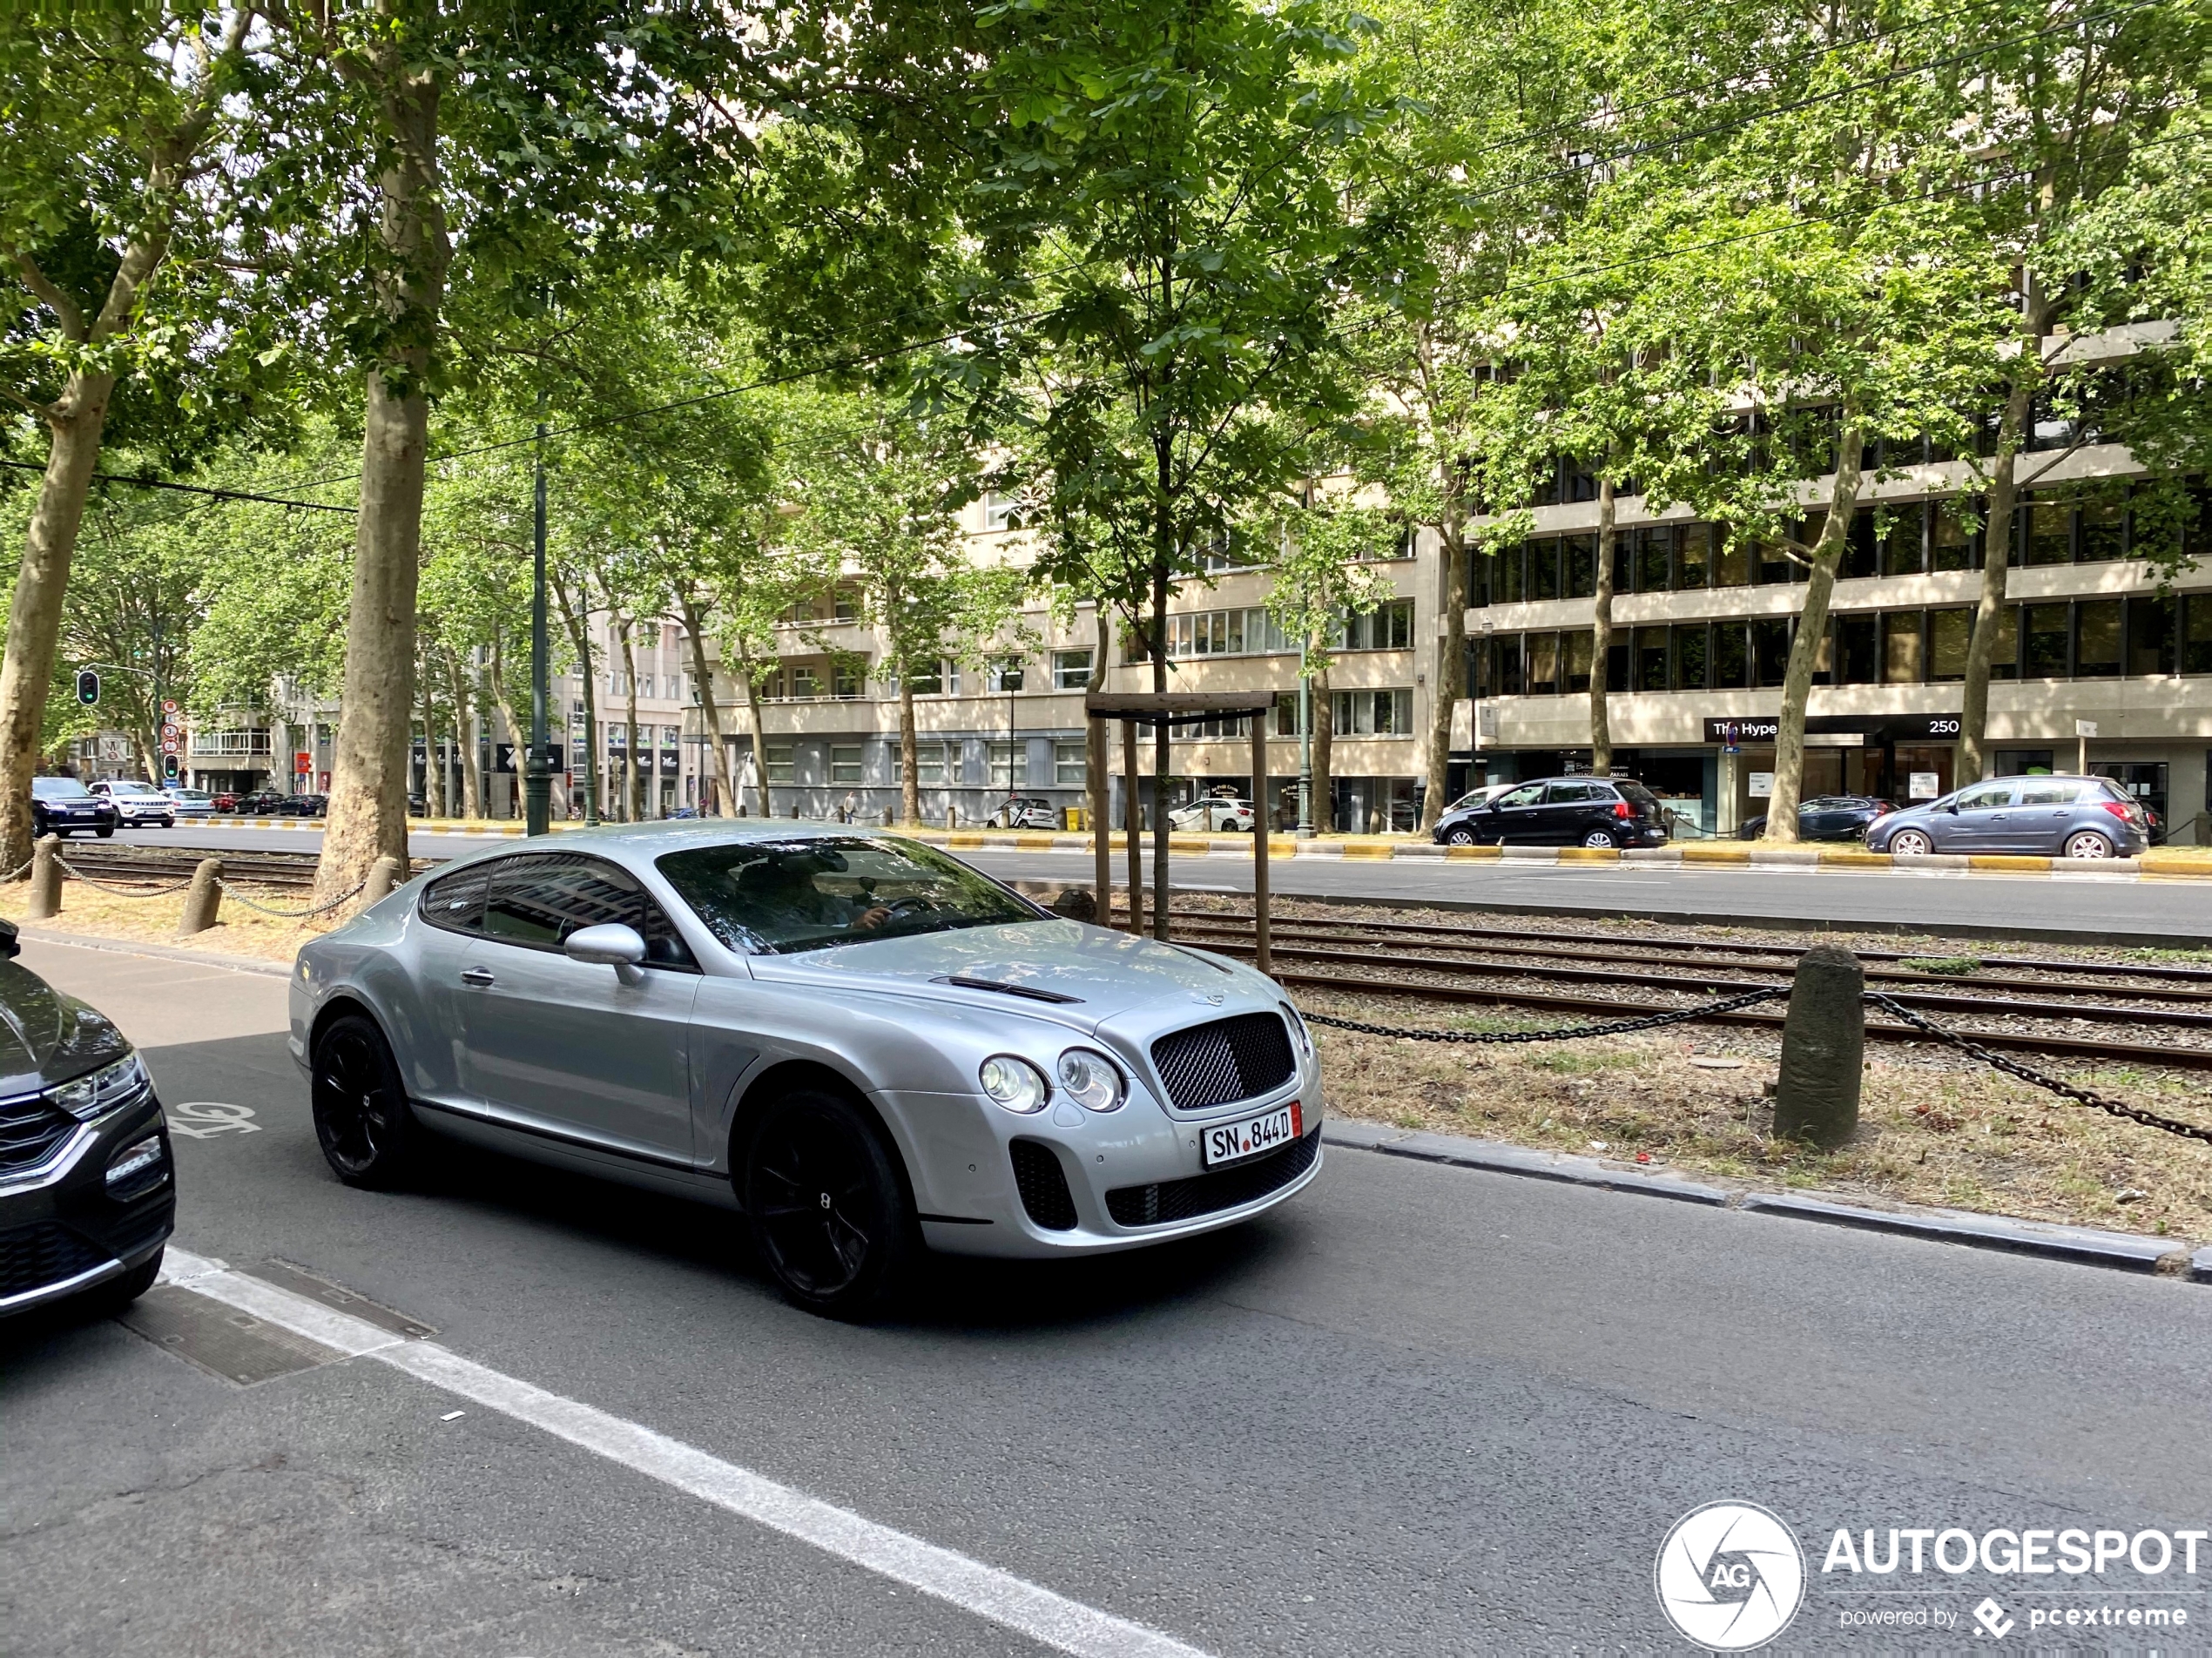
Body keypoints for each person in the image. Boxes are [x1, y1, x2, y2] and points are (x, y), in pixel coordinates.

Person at [732, 849, 893, 939]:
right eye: (795, 878)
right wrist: (852, 927)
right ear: (776, 884)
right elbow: (798, 934)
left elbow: (859, 911)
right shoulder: (767, 916)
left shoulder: (824, 902)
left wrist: (894, 914)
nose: (805, 883)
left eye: (807, 877)